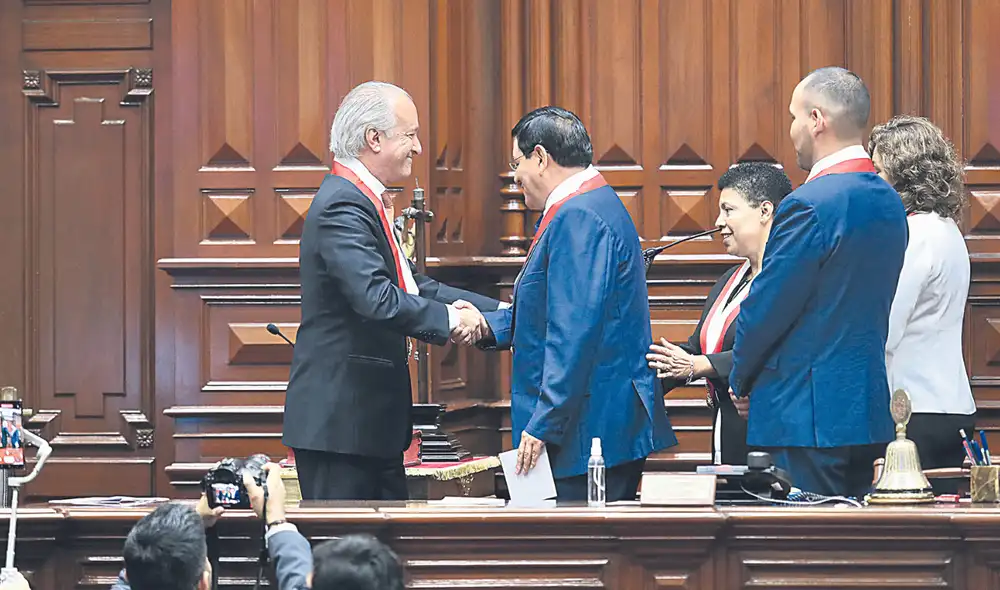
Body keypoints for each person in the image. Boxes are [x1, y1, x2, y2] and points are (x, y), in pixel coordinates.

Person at [282, 81, 503, 501]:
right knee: (347, 544)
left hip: (368, 427)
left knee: (383, 543)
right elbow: (376, 297)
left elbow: (415, 287)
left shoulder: (361, 198)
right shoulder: (342, 205)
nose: (418, 147)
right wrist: (455, 319)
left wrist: (502, 312)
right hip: (341, 430)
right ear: (374, 138)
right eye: (410, 135)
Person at [475, 106, 676, 502]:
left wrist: (543, 421)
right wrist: (486, 325)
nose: (515, 176)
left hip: (584, 432)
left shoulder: (579, 215)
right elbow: (555, 311)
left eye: (516, 163)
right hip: (591, 423)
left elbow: (573, 331)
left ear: (540, 157)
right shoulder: (590, 204)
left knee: (572, 540)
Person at [729, 67, 908, 498]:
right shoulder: (890, 201)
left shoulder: (807, 205)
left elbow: (767, 308)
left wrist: (740, 378)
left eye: (793, 117)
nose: (791, 130)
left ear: (816, 120)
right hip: (863, 409)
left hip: (801, 414)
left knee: (801, 540)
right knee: (852, 538)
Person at [647, 162, 792, 465]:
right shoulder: (730, 280)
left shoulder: (789, 277)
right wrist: (646, 375)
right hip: (726, 434)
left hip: (771, 437)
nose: (718, 222)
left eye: (728, 210)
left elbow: (777, 350)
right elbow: (698, 348)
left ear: (765, 211)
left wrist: (699, 365)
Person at [869, 115, 976, 469]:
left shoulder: (912, 234)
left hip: (914, 409)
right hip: (952, 403)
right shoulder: (949, 230)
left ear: (905, 174)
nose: (873, 180)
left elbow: (887, 330)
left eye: (878, 171)